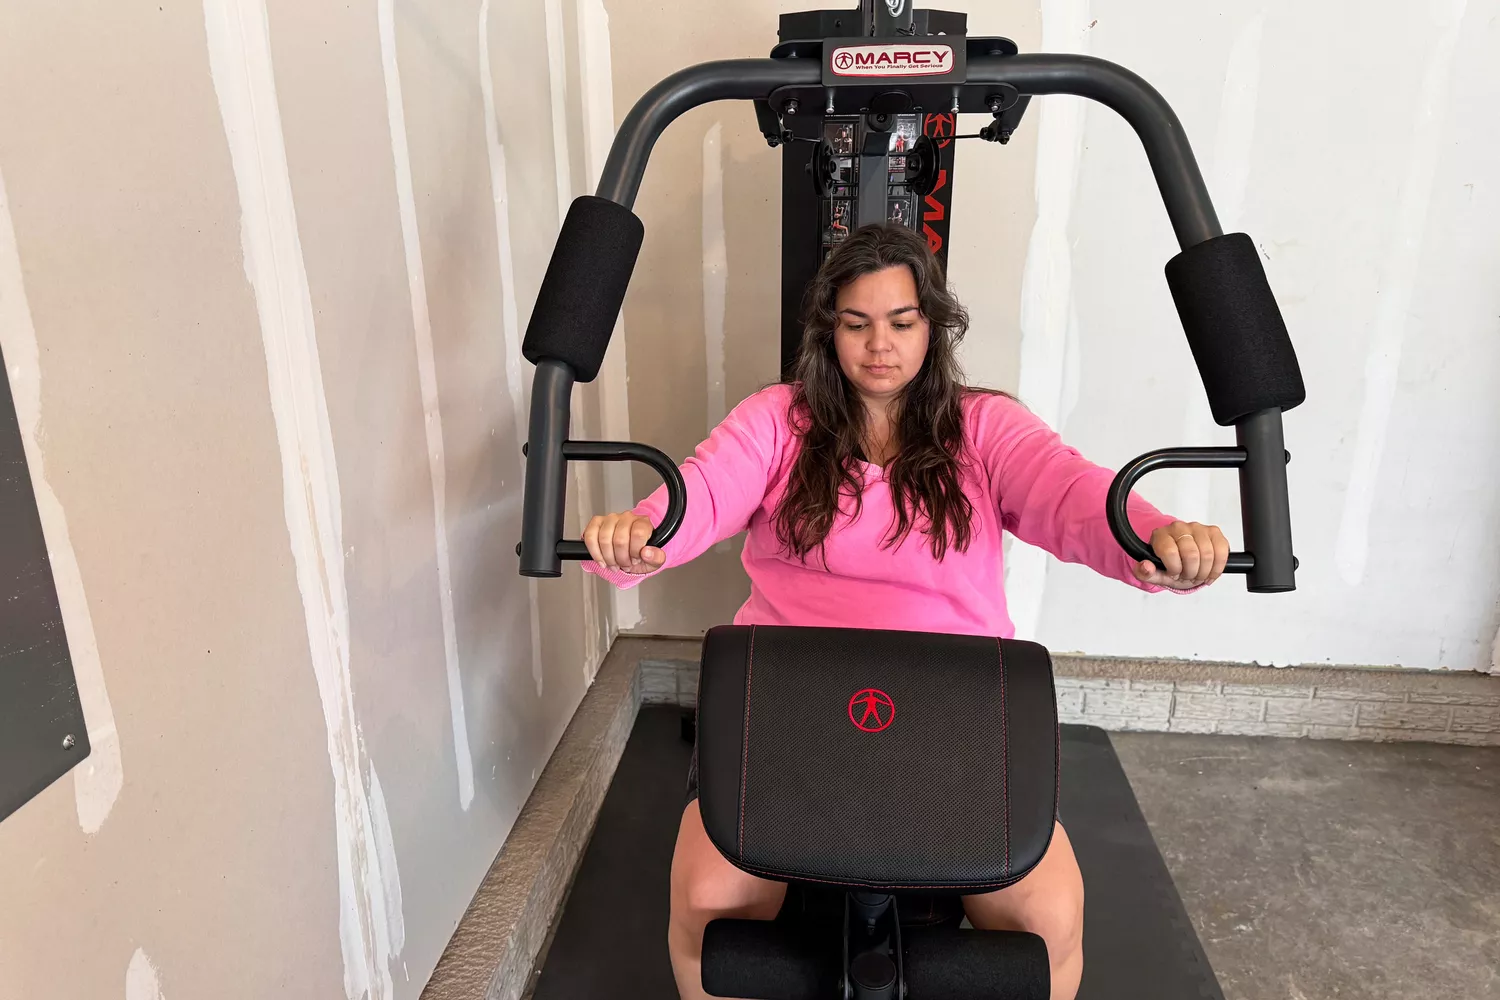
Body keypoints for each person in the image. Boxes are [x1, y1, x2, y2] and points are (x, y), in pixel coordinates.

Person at [583, 223, 1230, 1000]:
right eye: (856, 325)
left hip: (950, 708)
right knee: (706, 900)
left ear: (934, 326)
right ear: (828, 332)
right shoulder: (779, 421)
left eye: (900, 322)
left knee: (1049, 915)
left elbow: (1069, 490)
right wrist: (643, 533)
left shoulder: (984, 427)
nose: (878, 345)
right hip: (791, 702)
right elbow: (704, 487)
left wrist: (1153, 533)